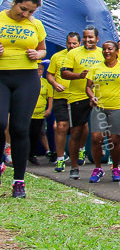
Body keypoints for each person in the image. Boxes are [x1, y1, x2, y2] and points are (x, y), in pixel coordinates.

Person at [0, 0, 47, 198]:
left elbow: (43, 49)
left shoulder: (35, 25)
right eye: (23, 9)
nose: (25, 15)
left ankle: (19, 180)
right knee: (0, 123)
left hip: (27, 79)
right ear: (14, 2)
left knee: (20, 128)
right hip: (1, 76)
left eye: (31, 12)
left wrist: (38, 53)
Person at [60, 26, 105, 180]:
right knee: (76, 132)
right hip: (77, 97)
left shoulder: (103, 52)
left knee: (98, 135)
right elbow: (64, 73)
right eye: (85, 37)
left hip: (99, 98)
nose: (87, 40)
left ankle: (100, 167)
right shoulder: (73, 53)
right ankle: (74, 166)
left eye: (91, 37)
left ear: (97, 39)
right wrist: (79, 75)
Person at [85, 40, 120, 183]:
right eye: (104, 49)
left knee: (115, 140)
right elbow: (88, 87)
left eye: (110, 49)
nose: (106, 51)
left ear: (117, 52)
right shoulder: (95, 68)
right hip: (99, 108)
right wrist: (92, 96)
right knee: (96, 138)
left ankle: (115, 167)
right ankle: (97, 169)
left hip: (118, 107)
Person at [46, 31, 80, 172]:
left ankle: (80, 151)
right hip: (61, 96)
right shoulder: (57, 56)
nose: (71, 46)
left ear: (79, 44)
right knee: (61, 126)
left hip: (78, 96)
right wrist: (54, 84)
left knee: (79, 128)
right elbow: (49, 75)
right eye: (69, 43)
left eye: (74, 43)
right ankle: (60, 159)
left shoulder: (83, 56)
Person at [29, 60, 54, 164]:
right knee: (25, 133)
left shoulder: (46, 82)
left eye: (41, 69)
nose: (39, 71)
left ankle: (33, 155)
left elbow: (50, 97)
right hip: (28, 113)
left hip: (40, 114)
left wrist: (49, 109)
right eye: (37, 69)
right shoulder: (28, 82)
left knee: (37, 134)